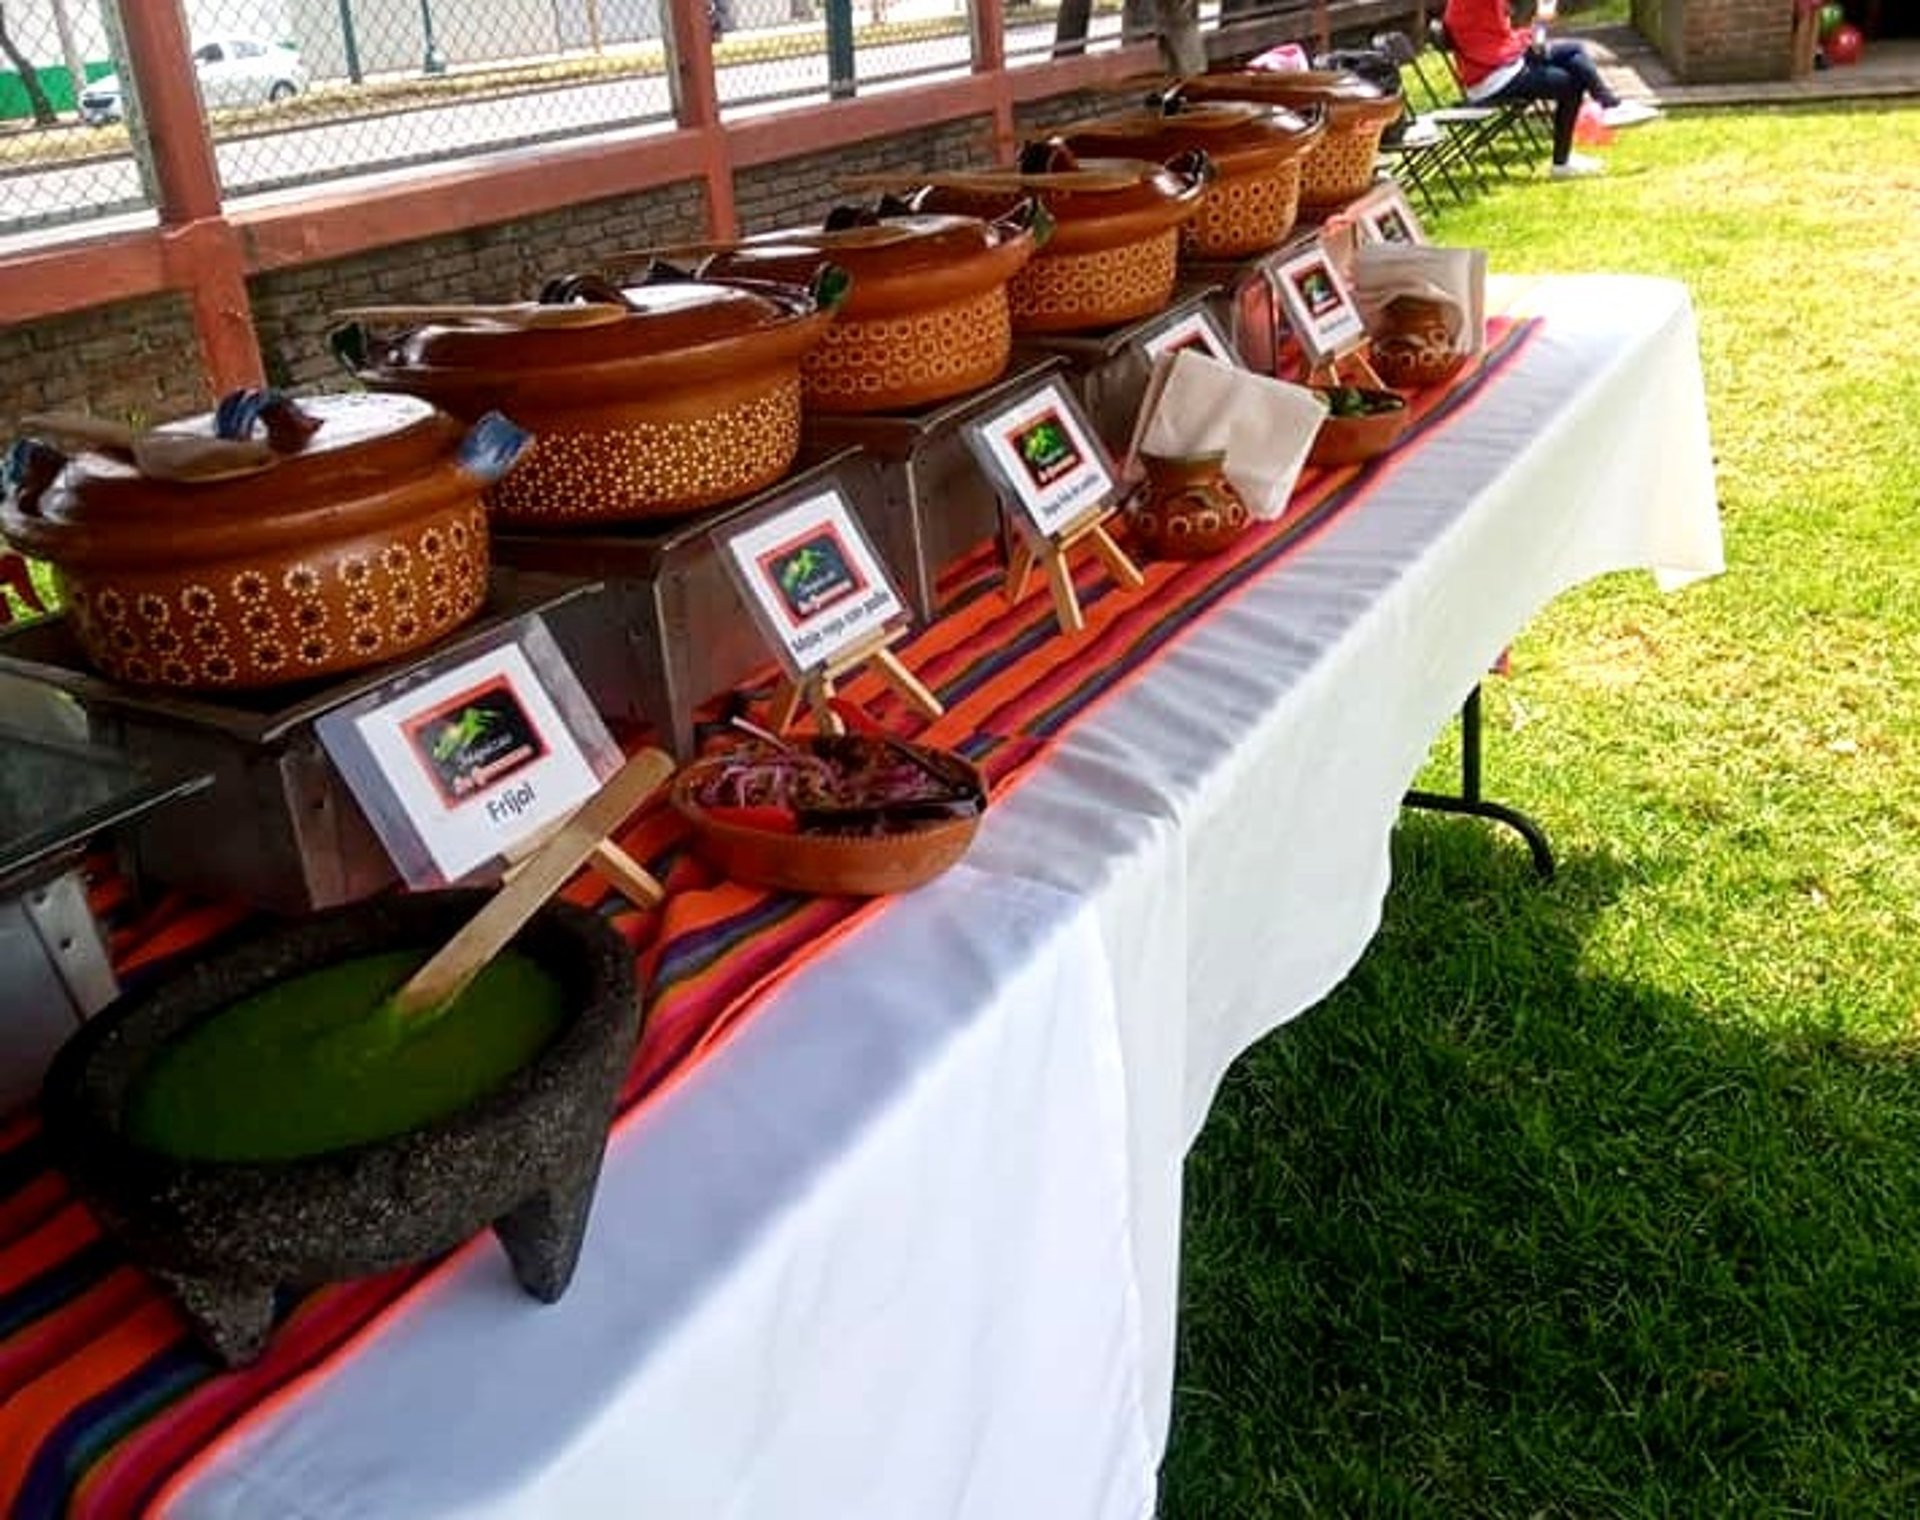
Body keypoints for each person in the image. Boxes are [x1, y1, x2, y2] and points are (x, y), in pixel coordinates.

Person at [1441, 0, 1661, 179]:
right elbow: (1486, 46)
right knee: (1571, 80)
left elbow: (1498, 37)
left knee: (1574, 54)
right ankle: (1568, 154)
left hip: (1501, 65)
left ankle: (1609, 106)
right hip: (1491, 79)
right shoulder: (1467, 5)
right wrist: (1535, 27)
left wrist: (1530, 34)